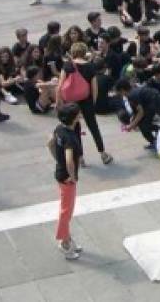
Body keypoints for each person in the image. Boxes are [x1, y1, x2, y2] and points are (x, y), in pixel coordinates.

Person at [58, 43, 113, 165]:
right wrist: (92, 102)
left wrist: (60, 102)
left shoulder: (67, 65)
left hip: (72, 101)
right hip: (86, 100)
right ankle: (103, 154)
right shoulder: (90, 66)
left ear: (72, 52)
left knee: (75, 129)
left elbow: (60, 86)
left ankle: (80, 158)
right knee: (93, 128)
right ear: (84, 53)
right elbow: (94, 87)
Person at [49, 103, 82, 260]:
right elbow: (70, 160)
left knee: (66, 209)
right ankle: (64, 242)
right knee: (66, 211)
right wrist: (73, 175)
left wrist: (58, 160)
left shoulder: (59, 129)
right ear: (74, 118)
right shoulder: (69, 136)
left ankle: (67, 238)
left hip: (61, 173)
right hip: (67, 178)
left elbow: (49, 143)